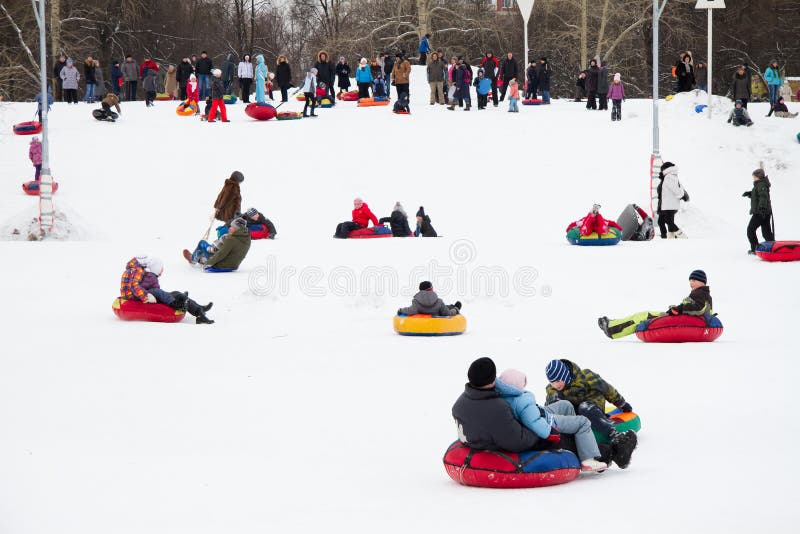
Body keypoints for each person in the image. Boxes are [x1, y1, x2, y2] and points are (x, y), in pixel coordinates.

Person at [496, 369, 608, 472]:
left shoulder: (504, 396)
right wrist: (550, 432)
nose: (524, 387)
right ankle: (587, 459)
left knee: (566, 405)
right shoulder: (521, 401)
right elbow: (533, 421)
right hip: (545, 420)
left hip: (539, 411)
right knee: (583, 422)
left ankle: (577, 441)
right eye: (522, 384)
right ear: (516, 385)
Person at [543, 359, 637, 469]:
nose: (555, 385)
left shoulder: (586, 377)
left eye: (557, 380)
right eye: (552, 382)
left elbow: (607, 389)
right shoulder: (552, 390)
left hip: (592, 409)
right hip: (574, 416)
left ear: (564, 375)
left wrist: (621, 403)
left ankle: (615, 436)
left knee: (584, 407)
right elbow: (551, 408)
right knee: (564, 406)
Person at [452, 357, 555, 453]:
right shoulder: (498, 407)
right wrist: (537, 434)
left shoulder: (458, 404)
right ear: (493, 380)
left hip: (476, 444)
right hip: (496, 451)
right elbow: (518, 441)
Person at [598, 269, 712, 339]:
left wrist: (679, 309)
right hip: (683, 319)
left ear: (702, 282)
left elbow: (699, 308)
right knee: (644, 316)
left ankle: (611, 328)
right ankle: (614, 325)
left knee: (644, 316)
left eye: (694, 280)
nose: (691, 283)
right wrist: (676, 308)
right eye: (690, 280)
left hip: (687, 320)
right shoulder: (700, 293)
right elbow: (694, 307)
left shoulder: (701, 293)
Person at [124, 256, 215, 324]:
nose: (162, 271)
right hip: (142, 296)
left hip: (146, 294)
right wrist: (148, 296)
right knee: (163, 293)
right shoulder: (147, 275)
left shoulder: (147, 274)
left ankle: (199, 308)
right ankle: (179, 304)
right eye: (161, 269)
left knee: (175, 293)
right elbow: (140, 288)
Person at [184, 217, 252, 271]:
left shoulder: (231, 240)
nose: (230, 228)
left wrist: (208, 264)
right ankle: (201, 259)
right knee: (208, 253)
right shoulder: (247, 238)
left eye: (232, 227)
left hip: (222, 265)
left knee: (202, 243)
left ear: (237, 229)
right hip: (234, 265)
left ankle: (192, 259)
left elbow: (221, 254)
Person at [743, 168, 774, 254]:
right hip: (765, 212)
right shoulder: (760, 184)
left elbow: (763, 197)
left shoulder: (761, 185)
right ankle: (773, 248)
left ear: (758, 176)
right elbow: (759, 195)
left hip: (760, 212)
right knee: (766, 232)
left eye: (754, 177)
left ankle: (755, 249)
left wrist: (762, 209)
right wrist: (750, 194)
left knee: (750, 230)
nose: (753, 178)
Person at [656, 162, 687, 238]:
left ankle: (681, 235)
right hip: (666, 203)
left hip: (669, 204)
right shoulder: (669, 176)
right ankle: (670, 236)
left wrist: (681, 195)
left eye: (662, 169)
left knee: (668, 221)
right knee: (664, 221)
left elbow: (677, 190)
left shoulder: (669, 177)